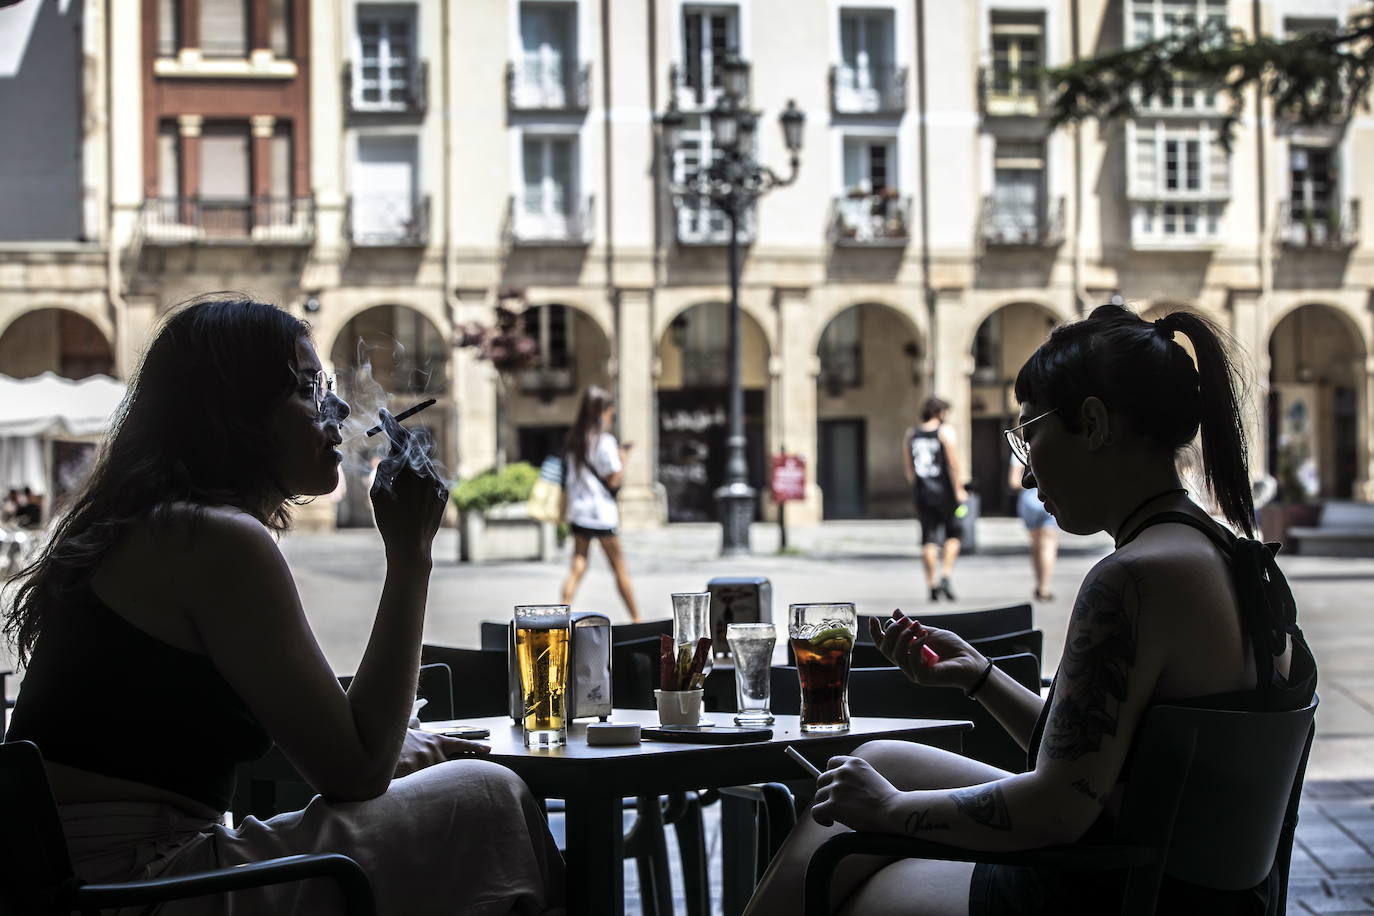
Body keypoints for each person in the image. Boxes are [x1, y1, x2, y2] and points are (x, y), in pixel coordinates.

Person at [744, 304, 1316, 916]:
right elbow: (1098, 759)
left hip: (1116, 891)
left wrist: (887, 811)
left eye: (1029, 433)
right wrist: (981, 677)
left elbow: (1056, 808)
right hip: (1191, 880)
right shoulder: (1230, 557)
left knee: (840, 873)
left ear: (1093, 423)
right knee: (878, 758)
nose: (1024, 473)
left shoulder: (1132, 580)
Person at [2, 297, 565, 916]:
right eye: (305, 388)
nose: (338, 409)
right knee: (488, 796)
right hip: (140, 887)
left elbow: (318, 743)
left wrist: (403, 749)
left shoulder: (150, 525)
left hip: (72, 880)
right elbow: (352, 774)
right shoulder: (214, 539)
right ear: (236, 414)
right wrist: (411, 557)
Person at [559, 385, 640, 622]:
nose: (612, 412)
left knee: (578, 564)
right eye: (609, 409)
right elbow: (614, 479)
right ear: (601, 412)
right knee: (619, 568)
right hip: (600, 513)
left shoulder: (575, 440)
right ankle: (637, 619)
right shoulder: (604, 442)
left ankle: (562, 612)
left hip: (579, 511)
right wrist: (623, 457)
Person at [904, 397, 967, 602]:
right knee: (953, 534)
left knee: (928, 539)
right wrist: (959, 489)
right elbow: (953, 464)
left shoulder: (911, 433)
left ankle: (931, 584)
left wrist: (919, 485)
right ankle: (945, 576)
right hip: (945, 492)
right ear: (940, 412)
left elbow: (909, 470)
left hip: (923, 493)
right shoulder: (944, 431)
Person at [1008, 456, 1057, 602]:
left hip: (1029, 501)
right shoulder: (1051, 447)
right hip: (1049, 496)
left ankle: (1039, 583)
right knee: (1048, 545)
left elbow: (1013, 482)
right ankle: (1044, 587)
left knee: (1036, 547)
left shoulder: (1020, 451)